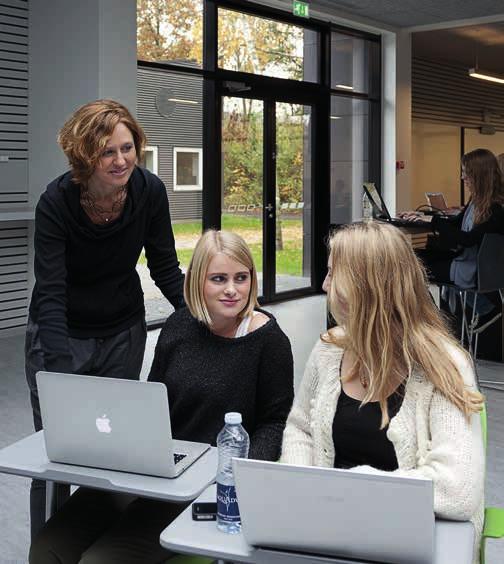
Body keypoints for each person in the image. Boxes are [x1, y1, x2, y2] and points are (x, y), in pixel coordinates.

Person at [29, 230, 294, 564]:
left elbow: (275, 423)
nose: (232, 289)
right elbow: (153, 400)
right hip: (153, 467)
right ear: (198, 281)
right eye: (219, 279)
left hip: (204, 487)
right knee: (47, 549)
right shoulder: (180, 325)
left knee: (100, 560)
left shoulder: (268, 341)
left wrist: (234, 478)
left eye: (241, 278)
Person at [26, 99, 185, 538]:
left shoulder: (149, 191)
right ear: (84, 155)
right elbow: (52, 292)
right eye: (107, 152)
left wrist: (200, 317)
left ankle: (105, 540)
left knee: (115, 445)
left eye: (127, 148)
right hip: (61, 333)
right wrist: (59, 376)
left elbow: (165, 267)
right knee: (56, 452)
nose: (121, 161)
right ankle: (49, 543)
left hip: (121, 331)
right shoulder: (55, 203)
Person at [281, 222, 485, 563]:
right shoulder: (329, 349)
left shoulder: (444, 365)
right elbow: (299, 427)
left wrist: (354, 487)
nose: (324, 284)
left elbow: (457, 489)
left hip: (407, 537)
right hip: (330, 530)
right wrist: (304, 486)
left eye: (333, 274)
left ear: (366, 288)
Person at [406, 148, 504, 289]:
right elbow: (455, 222)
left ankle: (425, 310)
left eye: (466, 173)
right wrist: (424, 217)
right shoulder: (476, 201)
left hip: (475, 270)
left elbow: (468, 239)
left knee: (413, 267)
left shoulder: (496, 209)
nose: (462, 177)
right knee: (414, 257)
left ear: (479, 176)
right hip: (467, 262)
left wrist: (433, 222)